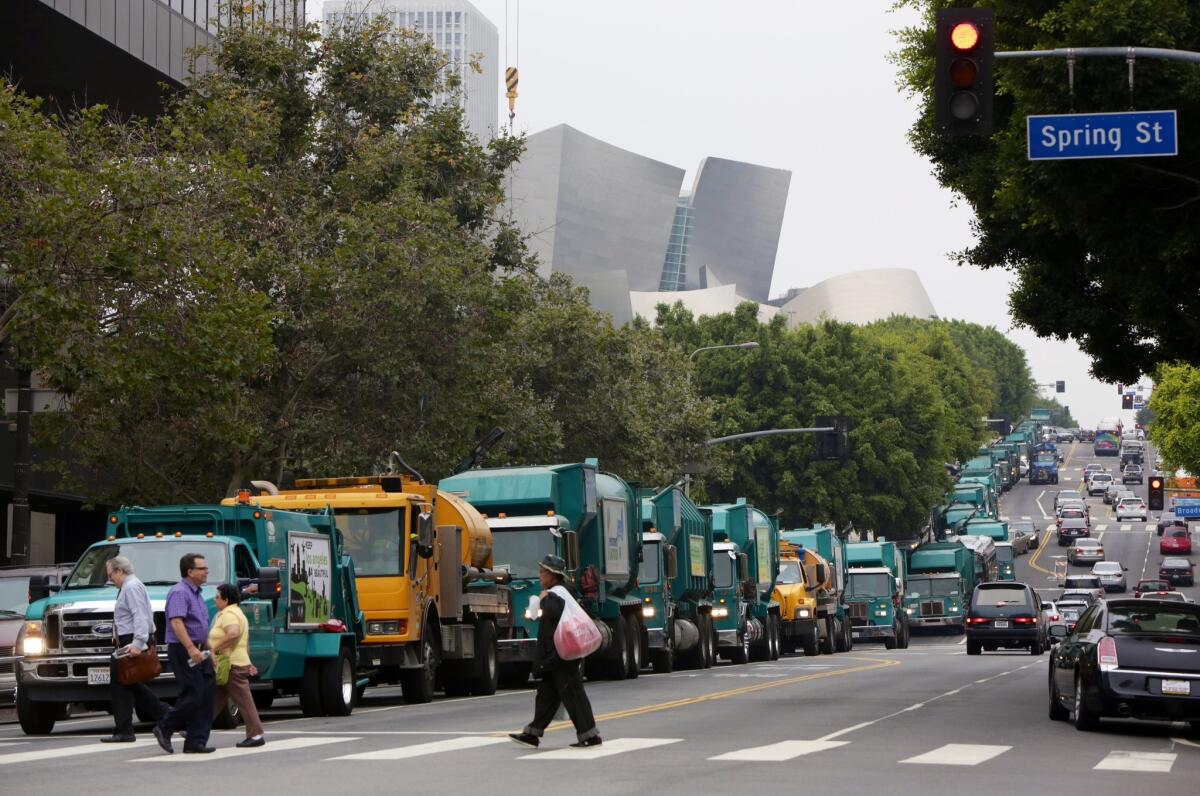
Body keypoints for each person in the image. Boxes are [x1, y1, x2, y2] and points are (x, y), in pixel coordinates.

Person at [509, 555, 602, 749]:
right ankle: (532, 734)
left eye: (543, 572)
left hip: (559, 655)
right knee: (547, 695)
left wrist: (542, 599)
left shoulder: (555, 595)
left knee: (573, 695)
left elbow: (548, 614)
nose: (540, 575)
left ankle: (590, 736)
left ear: (553, 575)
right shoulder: (565, 593)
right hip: (558, 655)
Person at [154, 552, 215, 754]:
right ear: (190, 572)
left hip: (200, 649)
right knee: (194, 693)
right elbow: (177, 622)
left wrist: (209, 649)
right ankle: (165, 727)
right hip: (184, 649)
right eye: (202, 568)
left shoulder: (197, 593)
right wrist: (190, 648)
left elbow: (200, 625)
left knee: (206, 694)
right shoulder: (180, 592)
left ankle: (196, 741)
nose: (207, 571)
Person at [101, 556, 167, 743]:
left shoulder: (130, 587)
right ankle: (169, 716)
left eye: (110, 574)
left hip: (131, 641)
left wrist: (138, 643)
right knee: (130, 685)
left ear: (120, 571)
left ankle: (125, 730)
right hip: (129, 640)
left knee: (121, 685)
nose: (110, 579)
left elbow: (140, 615)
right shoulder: (130, 586)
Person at [209, 583, 265, 747]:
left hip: (231, 664)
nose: (215, 600)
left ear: (226, 600)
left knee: (244, 701)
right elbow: (244, 642)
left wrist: (214, 648)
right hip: (233, 663)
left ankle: (255, 735)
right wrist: (249, 661)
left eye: (217, 597)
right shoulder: (237, 612)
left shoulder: (229, 614)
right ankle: (197, 729)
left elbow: (233, 634)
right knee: (214, 700)